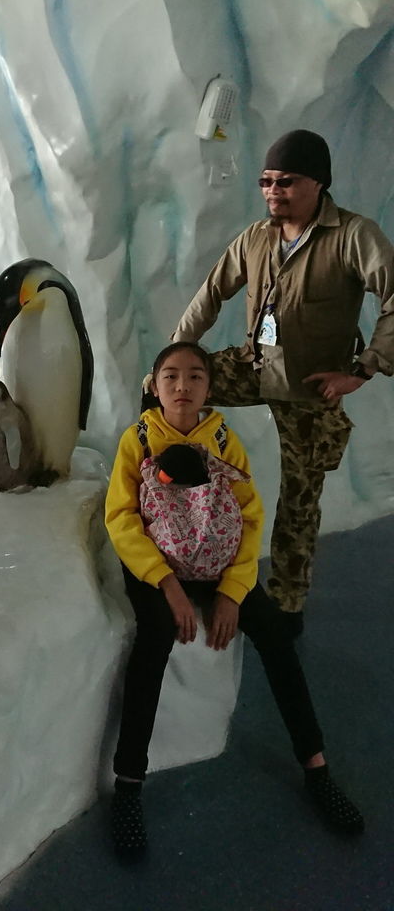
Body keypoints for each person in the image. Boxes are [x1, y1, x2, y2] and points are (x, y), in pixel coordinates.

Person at [105, 341, 363, 854]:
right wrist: (166, 584)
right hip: (160, 565)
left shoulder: (224, 440)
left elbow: (248, 516)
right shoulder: (138, 440)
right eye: (171, 376)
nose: (183, 386)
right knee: (155, 637)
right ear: (155, 386)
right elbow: (122, 517)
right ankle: (128, 785)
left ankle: (316, 766)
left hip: (216, 562)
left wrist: (233, 591)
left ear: (209, 387)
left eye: (195, 376)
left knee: (276, 637)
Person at [173, 130, 394, 636]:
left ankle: (287, 608)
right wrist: (176, 356)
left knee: (299, 501)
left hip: (310, 388)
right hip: (255, 366)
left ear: (318, 183)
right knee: (166, 389)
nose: (274, 191)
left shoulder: (354, 236)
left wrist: (362, 370)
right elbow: (211, 294)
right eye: (266, 181)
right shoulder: (256, 237)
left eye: (287, 181)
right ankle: (177, 534)